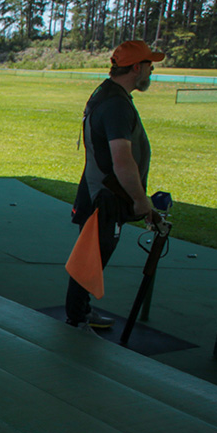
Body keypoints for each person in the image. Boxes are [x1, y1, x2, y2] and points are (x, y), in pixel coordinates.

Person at [64, 39, 164, 333]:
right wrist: (140, 201)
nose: (151, 70)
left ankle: (79, 313)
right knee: (90, 259)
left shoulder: (109, 95)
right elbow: (122, 160)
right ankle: (77, 319)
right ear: (136, 68)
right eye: (148, 64)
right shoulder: (116, 105)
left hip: (100, 193)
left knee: (90, 258)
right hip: (105, 197)